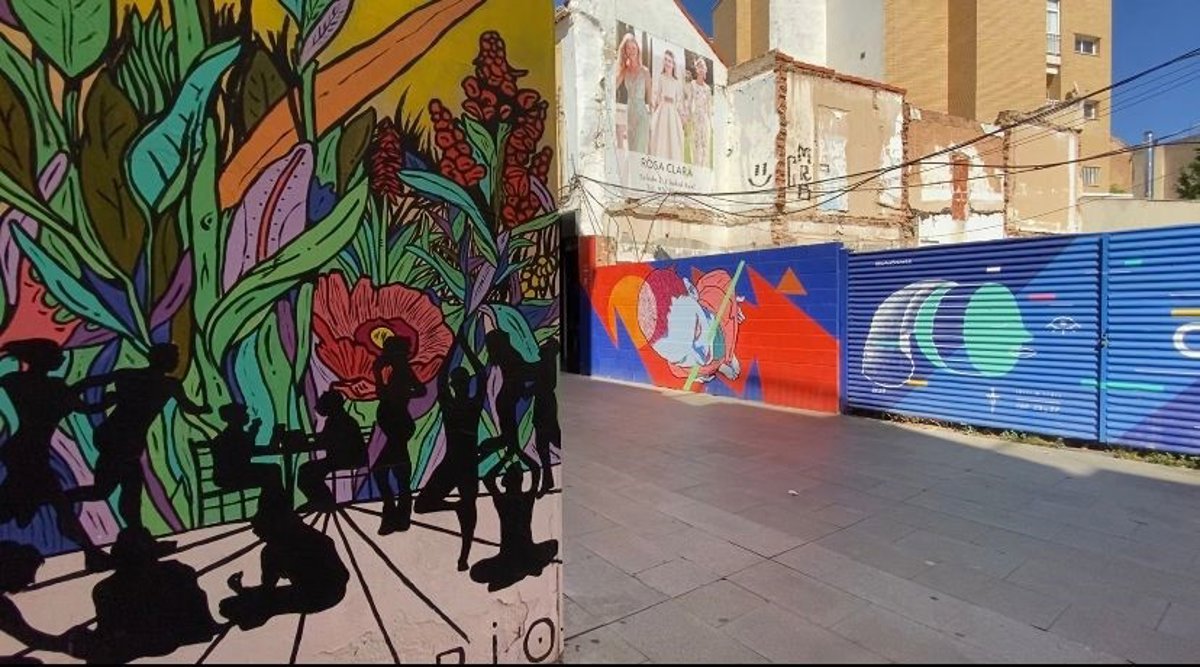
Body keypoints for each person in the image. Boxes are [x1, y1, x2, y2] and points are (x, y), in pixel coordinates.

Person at [0, 339, 113, 572]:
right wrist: (109, 400)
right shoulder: (56, 387)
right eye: (57, 355)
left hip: (20, 450)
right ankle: (92, 554)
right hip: (33, 454)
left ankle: (92, 553)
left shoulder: (14, 381)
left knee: (19, 503)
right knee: (54, 503)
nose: (61, 358)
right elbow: (85, 407)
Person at [72, 344, 206, 538]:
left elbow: (84, 384)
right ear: (163, 359)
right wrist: (205, 408)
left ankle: (137, 534)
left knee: (123, 489)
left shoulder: (130, 375)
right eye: (174, 357)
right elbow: (190, 408)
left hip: (116, 437)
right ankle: (56, 499)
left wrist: (90, 406)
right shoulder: (168, 384)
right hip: (122, 440)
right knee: (116, 490)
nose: (177, 362)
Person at [82, 527, 221, 664]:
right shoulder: (178, 571)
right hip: (168, 638)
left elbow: (107, 635)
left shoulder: (105, 589)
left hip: (146, 643)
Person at [219, 498, 348, 630]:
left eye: (259, 529)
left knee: (272, 601)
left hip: (320, 592)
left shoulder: (273, 552)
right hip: (329, 590)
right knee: (274, 600)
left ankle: (246, 609)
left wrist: (243, 592)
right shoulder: (307, 538)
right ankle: (246, 607)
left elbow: (268, 590)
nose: (255, 532)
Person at [415, 335, 487, 571]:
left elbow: (478, 375)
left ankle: (463, 557)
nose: (460, 385)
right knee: (423, 505)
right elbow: (472, 375)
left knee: (468, 507)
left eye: (461, 382)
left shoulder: (465, 405)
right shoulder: (454, 404)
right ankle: (456, 509)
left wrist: (459, 346)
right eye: (459, 382)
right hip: (456, 462)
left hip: (462, 464)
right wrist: (460, 346)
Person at [468, 466, 558, 593]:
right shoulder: (526, 498)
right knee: (552, 546)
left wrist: (506, 458)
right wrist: (515, 455)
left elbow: (488, 479)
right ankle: (524, 570)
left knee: (485, 575)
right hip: (525, 553)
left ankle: (523, 570)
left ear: (503, 482)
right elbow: (536, 470)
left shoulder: (503, 500)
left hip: (520, 554)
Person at [372, 337, 427, 535]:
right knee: (398, 470)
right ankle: (398, 516)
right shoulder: (399, 370)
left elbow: (419, 390)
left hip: (398, 425)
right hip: (396, 426)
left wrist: (398, 393)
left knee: (385, 470)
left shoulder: (402, 370)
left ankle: (393, 515)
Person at [0, 541, 86, 661]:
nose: (31, 580)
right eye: (27, 572)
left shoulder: (4, 607)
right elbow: (31, 638)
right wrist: (67, 644)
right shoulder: (4, 607)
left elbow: (31, 638)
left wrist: (65, 644)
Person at [296, 391, 366, 512]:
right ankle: (322, 500)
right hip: (343, 458)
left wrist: (304, 443)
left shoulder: (337, 421)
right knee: (309, 470)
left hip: (345, 459)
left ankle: (324, 501)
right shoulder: (341, 419)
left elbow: (324, 442)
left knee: (306, 471)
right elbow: (325, 440)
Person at [209, 403, 282, 502]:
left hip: (231, 474)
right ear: (234, 417)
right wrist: (254, 431)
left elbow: (251, 450)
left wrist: (254, 432)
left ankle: (271, 506)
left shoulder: (232, 434)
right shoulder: (231, 436)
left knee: (272, 471)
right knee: (273, 472)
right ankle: (272, 506)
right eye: (243, 413)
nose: (247, 415)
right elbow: (248, 451)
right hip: (230, 476)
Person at [530, 340, 561, 497]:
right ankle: (547, 480)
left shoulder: (546, 364)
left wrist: (530, 390)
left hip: (544, 407)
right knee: (545, 443)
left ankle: (547, 480)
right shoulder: (547, 363)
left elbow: (544, 385)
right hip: (544, 406)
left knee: (547, 442)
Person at [615, 32, 650, 154]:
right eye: (628, 48)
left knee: (639, 151)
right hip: (630, 115)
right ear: (625, 51)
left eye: (633, 48)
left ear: (638, 49)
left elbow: (650, 98)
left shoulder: (645, 71)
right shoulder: (624, 71)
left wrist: (652, 118)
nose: (631, 51)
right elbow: (613, 86)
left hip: (642, 115)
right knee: (631, 152)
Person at [649, 50, 685, 162]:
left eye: (669, 61)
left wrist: (681, 114)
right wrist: (654, 109)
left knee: (673, 135)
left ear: (673, 64)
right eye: (665, 60)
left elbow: (678, 99)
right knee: (661, 135)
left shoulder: (676, 81)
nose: (667, 63)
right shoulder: (661, 77)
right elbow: (657, 94)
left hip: (672, 111)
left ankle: (672, 159)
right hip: (663, 109)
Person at [685, 56, 712, 167]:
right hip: (695, 117)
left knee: (704, 144)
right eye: (699, 67)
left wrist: (710, 123)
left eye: (703, 67)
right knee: (696, 144)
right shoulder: (692, 84)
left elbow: (708, 107)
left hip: (704, 119)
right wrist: (688, 117)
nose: (701, 69)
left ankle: (704, 167)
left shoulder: (707, 89)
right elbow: (689, 102)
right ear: (696, 70)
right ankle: (696, 167)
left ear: (705, 70)